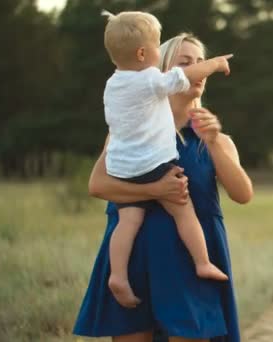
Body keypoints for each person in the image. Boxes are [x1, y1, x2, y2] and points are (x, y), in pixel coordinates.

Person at [73, 32, 252, 342]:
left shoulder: (217, 140)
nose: (199, 69)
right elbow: (98, 185)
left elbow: (242, 194)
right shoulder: (129, 131)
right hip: (134, 255)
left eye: (201, 62)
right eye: (186, 63)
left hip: (191, 261)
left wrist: (213, 142)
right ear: (164, 73)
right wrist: (155, 191)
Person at [100, 11, 234, 309]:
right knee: (183, 209)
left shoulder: (114, 84)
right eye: (157, 46)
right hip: (153, 165)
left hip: (124, 167)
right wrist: (214, 65)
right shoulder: (151, 81)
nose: (193, 70)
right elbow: (181, 79)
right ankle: (202, 262)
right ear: (143, 54)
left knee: (128, 219)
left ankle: (117, 275)